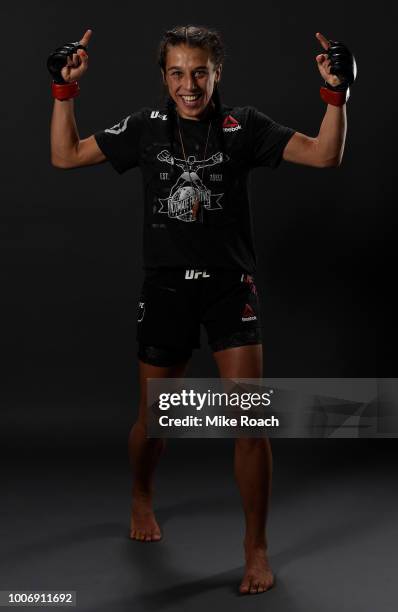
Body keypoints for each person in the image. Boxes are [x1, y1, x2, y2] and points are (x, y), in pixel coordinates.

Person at [48, 25, 356, 595]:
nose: (189, 85)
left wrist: (336, 95)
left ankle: (255, 546)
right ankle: (142, 495)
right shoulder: (145, 127)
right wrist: (64, 94)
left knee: (248, 420)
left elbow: (325, 155)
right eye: (177, 73)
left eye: (199, 73)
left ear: (217, 74)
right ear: (163, 77)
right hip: (166, 289)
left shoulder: (244, 128)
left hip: (228, 288)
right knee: (156, 419)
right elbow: (64, 156)